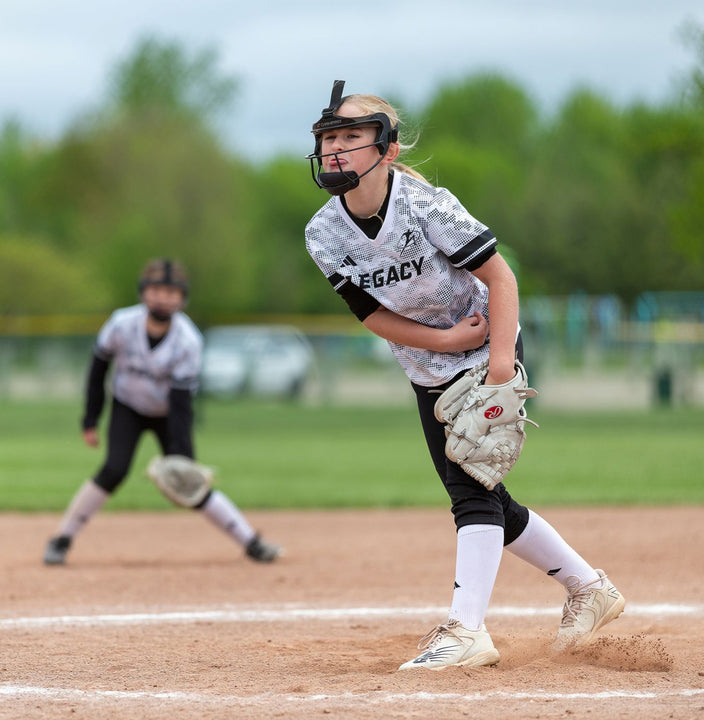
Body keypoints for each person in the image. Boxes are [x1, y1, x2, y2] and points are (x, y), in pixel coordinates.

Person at [303, 81, 624, 670]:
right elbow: (372, 315)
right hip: (430, 357)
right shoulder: (321, 233)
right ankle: (588, 587)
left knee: (466, 491)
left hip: (487, 342)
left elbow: (502, 280)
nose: (337, 149)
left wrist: (500, 369)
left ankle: (467, 629)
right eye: (330, 138)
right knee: (485, 492)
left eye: (352, 136)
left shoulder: (426, 205)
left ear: (387, 149)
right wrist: (444, 341)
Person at [43, 258, 282, 566]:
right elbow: (97, 370)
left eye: (171, 292)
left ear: (182, 299)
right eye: (156, 289)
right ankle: (62, 539)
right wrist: (90, 419)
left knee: (190, 481)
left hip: (169, 414)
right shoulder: (122, 324)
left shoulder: (188, 340)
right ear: (143, 293)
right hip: (127, 406)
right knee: (114, 470)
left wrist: (182, 455)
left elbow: (182, 403)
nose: (163, 297)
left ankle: (251, 542)